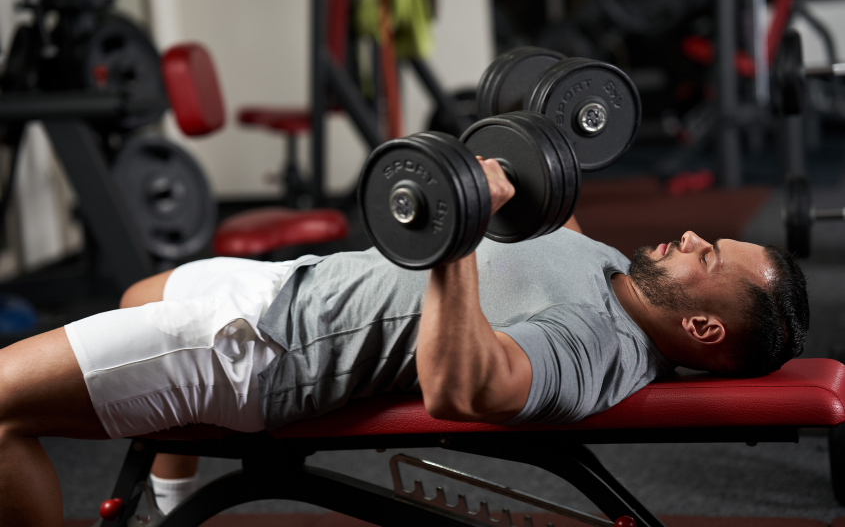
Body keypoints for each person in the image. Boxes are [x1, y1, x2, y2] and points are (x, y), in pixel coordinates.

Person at [0, 159, 809, 526]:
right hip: (296, 285)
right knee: (139, 291)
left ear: (702, 328)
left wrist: (456, 235)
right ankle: (175, 509)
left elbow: (470, 387)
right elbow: (545, 229)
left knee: (4, 411)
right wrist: (542, 148)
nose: (697, 235)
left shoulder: (598, 347)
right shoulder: (614, 278)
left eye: (710, 258)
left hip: (259, 348)